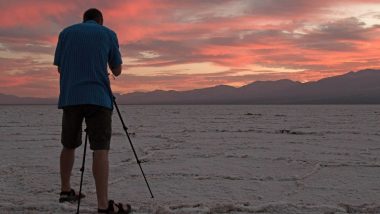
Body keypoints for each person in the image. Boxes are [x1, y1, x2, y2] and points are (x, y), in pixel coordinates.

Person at [54, 8, 130, 214]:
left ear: (84, 19)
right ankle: (103, 205)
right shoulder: (108, 34)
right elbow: (117, 70)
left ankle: (65, 190)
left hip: (71, 97)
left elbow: (60, 67)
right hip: (99, 99)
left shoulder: (65, 33)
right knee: (100, 149)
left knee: (68, 145)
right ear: (100, 21)